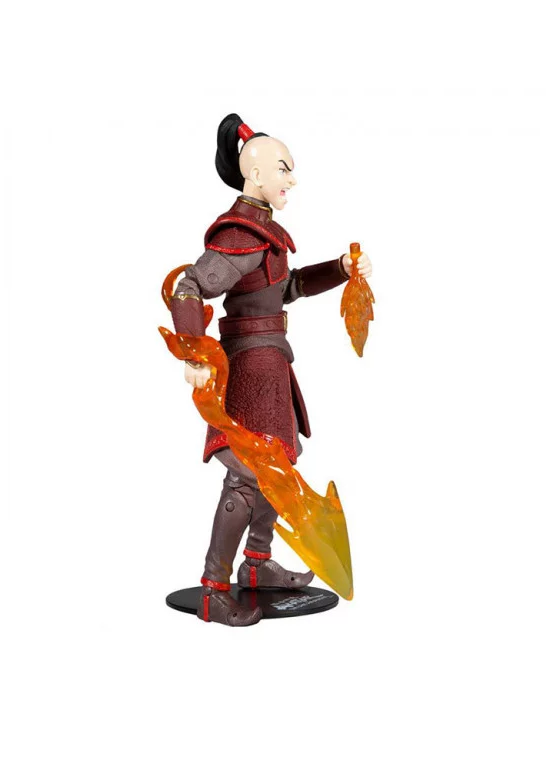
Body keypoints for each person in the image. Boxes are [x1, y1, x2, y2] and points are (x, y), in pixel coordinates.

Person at [170, 113, 372, 626]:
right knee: (246, 478)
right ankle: (214, 589)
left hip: (271, 362)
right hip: (249, 367)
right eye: (283, 169)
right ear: (254, 174)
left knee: (277, 470)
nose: (291, 179)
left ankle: (256, 565)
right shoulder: (239, 234)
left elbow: (290, 287)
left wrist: (341, 270)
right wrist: (194, 354)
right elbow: (188, 287)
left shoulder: (265, 234)